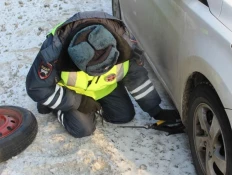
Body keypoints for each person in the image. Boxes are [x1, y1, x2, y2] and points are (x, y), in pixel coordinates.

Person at [26, 11, 180, 138]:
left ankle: (95, 105)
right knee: (82, 130)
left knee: (124, 116)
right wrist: (79, 102)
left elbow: (137, 78)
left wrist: (155, 110)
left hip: (106, 86)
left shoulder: (125, 43)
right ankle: (57, 108)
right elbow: (36, 88)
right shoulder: (54, 52)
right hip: (72, 92)